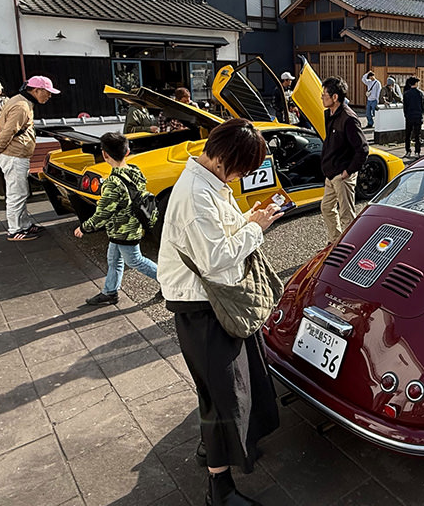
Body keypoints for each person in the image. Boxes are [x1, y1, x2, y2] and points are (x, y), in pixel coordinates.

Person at [158, 118, 283, 506]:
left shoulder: (208, 181)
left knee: (233, 385)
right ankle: (219, 488)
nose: (241, 177)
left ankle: (214, 449)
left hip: (215, 302)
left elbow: (219, 234)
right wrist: (256, 229)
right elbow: (215, 260)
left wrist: (248, 220)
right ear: (222, 159)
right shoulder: (197, 196)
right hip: (203, 305)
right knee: (222, 394)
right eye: (241, 169)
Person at [74, 132, 158, 306]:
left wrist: (84, 227)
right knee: (113, 259)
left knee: (135, 260)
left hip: (124, 231)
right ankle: (110, 292)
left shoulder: (113, 183)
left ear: (105, 155)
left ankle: (170, 282)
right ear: (127, 152)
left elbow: (102, 214)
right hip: (128, 227)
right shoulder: (134, 170)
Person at [0, 76, 58, 241]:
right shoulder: (21, 106)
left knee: (21, 192)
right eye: (47, 92)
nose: (49, 96)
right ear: (37, 90)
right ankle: (15, 230)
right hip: (14, 156)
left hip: (16, 155)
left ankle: (25, 225)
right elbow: (8, 132)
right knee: (16, 194)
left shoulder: (21, 101)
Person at [321, 77, 369, 242]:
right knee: (326, 208)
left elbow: (363, 150)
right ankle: (335, 241)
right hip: (331, 173)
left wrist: (348, 172)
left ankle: (351, 248)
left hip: (342, 175)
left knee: (347, 215)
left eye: (324, 94)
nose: (322, 97)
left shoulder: (348, 119)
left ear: (335, 97)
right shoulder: (329, 114)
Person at [402, 76, 424, 158]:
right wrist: (422, 116)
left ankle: (408, 151)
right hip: (418, 116)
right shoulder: (420, 93)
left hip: (409, 116)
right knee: (417, 135)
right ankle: (417, 152)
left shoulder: (406, 94)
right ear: (416, 83)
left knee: (408, 135)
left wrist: (406, 115)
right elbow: (422, 107)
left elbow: (405, 107)